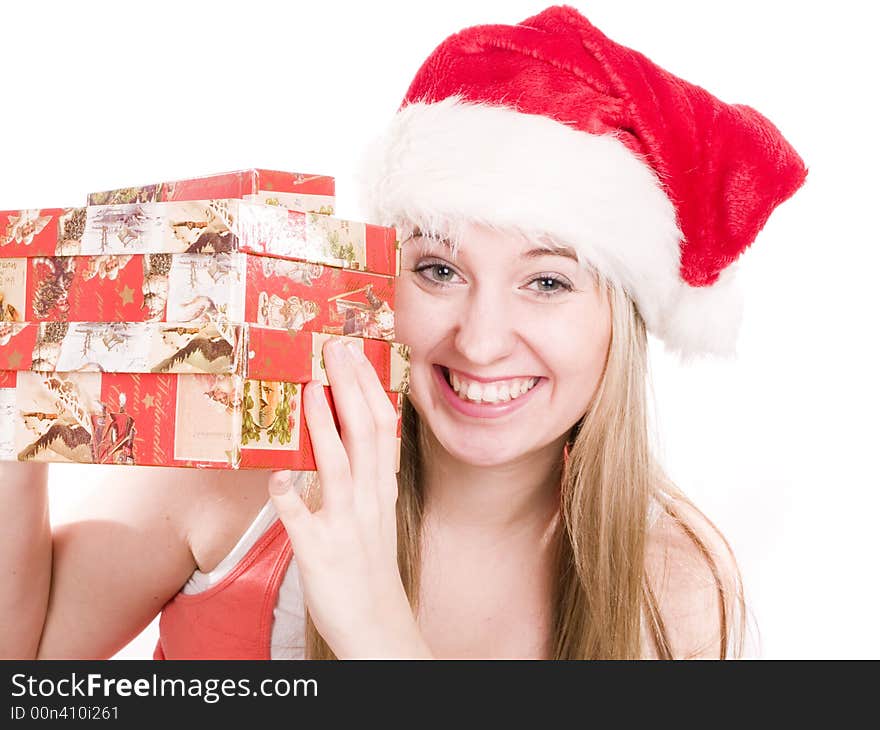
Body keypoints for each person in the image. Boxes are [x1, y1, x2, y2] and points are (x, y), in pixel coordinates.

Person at [0, 5, 806, 660]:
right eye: (439, 271)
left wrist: (374, 626)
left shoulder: (674, 585)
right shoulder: (251, 469)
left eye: (548, 282)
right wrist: (15, 396)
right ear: (380, 275)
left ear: (619, 323)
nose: (482, 342)